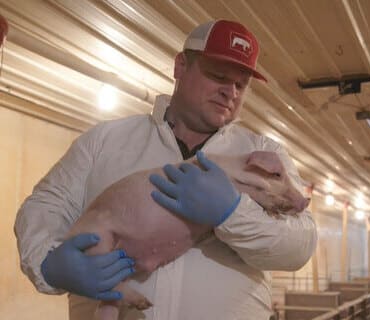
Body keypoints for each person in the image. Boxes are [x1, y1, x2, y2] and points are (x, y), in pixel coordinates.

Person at [15, 20, 317, 320]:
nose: (231, 92)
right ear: (181, 66)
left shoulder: (263, 155)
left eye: (241, 85)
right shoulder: (105, 141)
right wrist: (48, 263)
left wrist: (233, 213)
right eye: (218, 76)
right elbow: (45, 206)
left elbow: (300, 244)